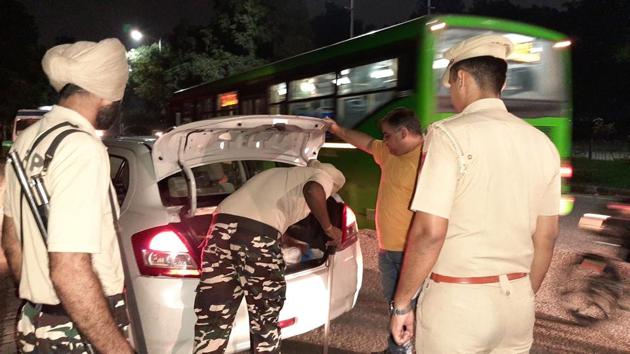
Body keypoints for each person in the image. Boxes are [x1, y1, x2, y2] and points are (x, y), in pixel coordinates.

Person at [389, 34, 561, 353]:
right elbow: (547, 236)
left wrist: (401, 304)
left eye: (451, 85)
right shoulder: (543, 144)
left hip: (459, 306)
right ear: (502, 86)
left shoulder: (448, 135)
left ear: (463, 79)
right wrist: (524, 295)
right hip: (518, 305)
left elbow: (429, 232)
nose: (451, 94)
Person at [1, 38, 134, 353]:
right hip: (76, 330)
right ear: (105, 95)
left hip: (35, 320)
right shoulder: (81, 148)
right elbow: (70, 268)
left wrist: (40, 296)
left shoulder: (27, 141)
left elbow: (11, 236)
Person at [194, 160, 346, 354]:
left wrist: (288, 241)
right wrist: (329, 229)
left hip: (220, 232)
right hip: (256, 239)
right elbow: (313, 190)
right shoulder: (322, 176)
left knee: (214, 314)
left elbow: (258, 214)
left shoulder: (279, 175)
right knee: (264, 318)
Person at [325, 108, 423, 353]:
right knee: (396, 306)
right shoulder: (390, 154)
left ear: (403, 132)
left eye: (387, 136)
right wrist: (337, 130)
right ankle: (397, 349)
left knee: (411, 308)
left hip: (411, 253)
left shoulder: (427, 158)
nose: (384, 141)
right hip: (388, 250)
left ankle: (403, 349)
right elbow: (367, 142)